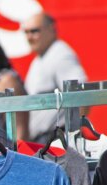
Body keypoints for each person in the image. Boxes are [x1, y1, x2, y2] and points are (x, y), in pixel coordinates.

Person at [22, 11, 87, 143]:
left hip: (55, 140)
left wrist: (72, 136)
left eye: (34, 31)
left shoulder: (60, 55)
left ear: (51, 29)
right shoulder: (42, 56)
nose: (29, 37)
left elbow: (81, 95)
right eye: (26, 32)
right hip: (43, 140)